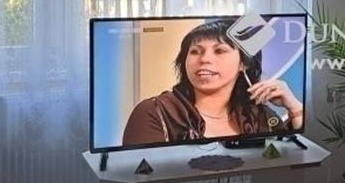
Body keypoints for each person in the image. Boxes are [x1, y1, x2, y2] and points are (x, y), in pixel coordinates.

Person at [122, 19, 304, 145]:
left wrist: (295, 109)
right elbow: (142, 178)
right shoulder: (155, 112)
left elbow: (293, 164)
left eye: (219, 51)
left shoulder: (258, 115)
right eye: (195, 51)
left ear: (243, 64)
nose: (204, 59)